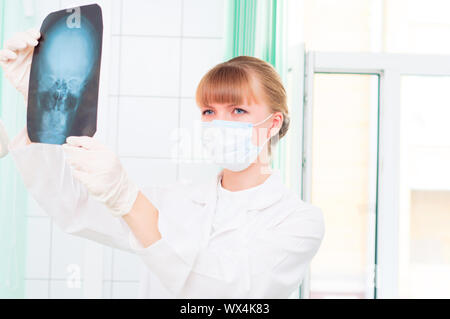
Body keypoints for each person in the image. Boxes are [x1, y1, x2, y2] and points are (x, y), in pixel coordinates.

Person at [0, 29, 325, 298]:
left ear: (272, 123)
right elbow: (73, 207)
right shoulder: (175, 201)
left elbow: (231, 294)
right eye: (209, 112)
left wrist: (129, 200)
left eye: (238, 111)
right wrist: (41, 100)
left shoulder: (298, 223)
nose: (218, 123)